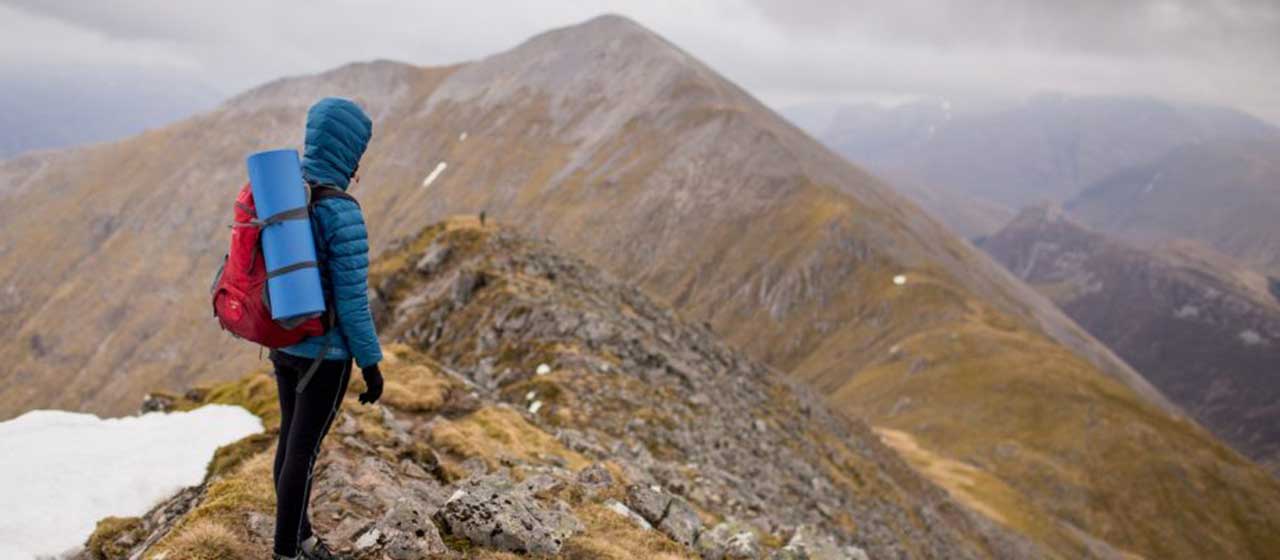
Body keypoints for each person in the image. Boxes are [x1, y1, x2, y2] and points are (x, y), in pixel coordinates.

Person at [270, 97, 384, 560]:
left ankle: (299, 537)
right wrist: (371, 365)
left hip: (284, 344)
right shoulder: (341, 212)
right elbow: (353, 301)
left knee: (288, 444)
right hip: (327, 356)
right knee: (304, 453)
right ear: (349, 151)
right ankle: (286, 552)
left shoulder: (283, 195)